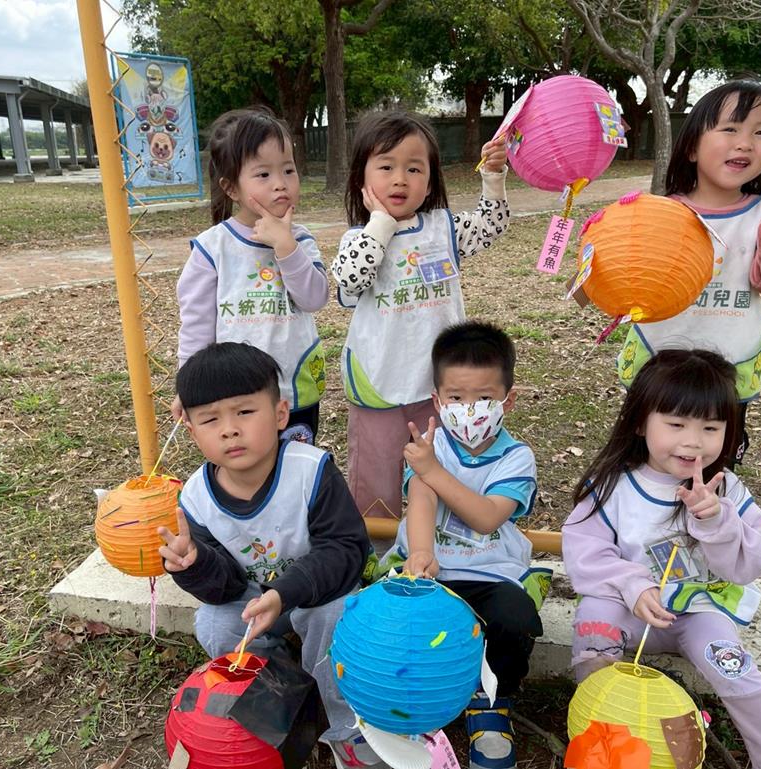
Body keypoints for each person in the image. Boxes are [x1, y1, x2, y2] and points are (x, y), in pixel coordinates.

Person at [565, 349, 761, 769]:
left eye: (710, 428)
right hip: (627, 609)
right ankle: (600, 738)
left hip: (698, 613)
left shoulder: (726, 491)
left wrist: (718, 522)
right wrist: (632, 584)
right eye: (676, 424)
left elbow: (752, 563)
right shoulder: (613, 486)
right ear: (640, 421)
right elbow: (586, 551)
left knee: (736, 672)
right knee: (594, 622)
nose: (693, 441)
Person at [158, 342, 388, 769]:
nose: (229, 430)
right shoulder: (195, 498)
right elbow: (224, 587)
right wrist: (195, 564)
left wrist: (285, 594)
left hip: (316, 592)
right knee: (215, 623)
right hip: (252, 600)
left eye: (245, 412)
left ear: (281, 414)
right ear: (191, 431)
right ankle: (282, 692)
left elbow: (345, 550)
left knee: (334, 616)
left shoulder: (310, 470)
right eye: (210, 419)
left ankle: (347, 727)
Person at [377, 321, 547, 769]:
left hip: (490, 575)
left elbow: (487, 516)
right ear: (437, 400)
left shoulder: (516, 457)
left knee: (514, 619)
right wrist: (420, 553)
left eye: (484, 397)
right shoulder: (430, 447)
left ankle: (492, 703)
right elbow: (421, 498)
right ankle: (409, 699)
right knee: (392, 619)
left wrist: (432, 470)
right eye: (456, 397)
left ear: (508, 399)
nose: (469, 409)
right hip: (430, 569)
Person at [616, 80, 761, 467]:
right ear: (691, 147)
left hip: (728, 374)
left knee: (712, 464)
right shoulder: (661, 213)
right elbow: (628, 280)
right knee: (642, 459)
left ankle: (711, 505)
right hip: (659, 367)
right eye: (730, 129)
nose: (745, 143)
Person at [332, 111, 510, 519]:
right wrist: (380, 223)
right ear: (362, 178)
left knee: (442, 473)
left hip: (441, 388)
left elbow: (491, 225)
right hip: (378, 386)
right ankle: (378, 549)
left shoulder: (442, 228)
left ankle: (438, 542)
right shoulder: (358, 239)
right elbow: (351, 278)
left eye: (414, 169)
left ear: (430, 182)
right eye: (386, 167)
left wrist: (493, 176)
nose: (400, 179)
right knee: (375, 483)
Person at [174, 107, 328, 444]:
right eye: (263, 174)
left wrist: (286, 247)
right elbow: (196, 326)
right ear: (231, 188)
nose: (280, 184)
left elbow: (314, 298)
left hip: (296, 389)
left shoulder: (300, 240)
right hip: (234, 396)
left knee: (294, 465)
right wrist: (188, 385)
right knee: (244, 467)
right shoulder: (212, 249)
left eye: (288, 170)